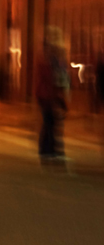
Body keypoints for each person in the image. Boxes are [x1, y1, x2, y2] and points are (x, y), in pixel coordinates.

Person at [36, 26, 70, 163]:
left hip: (48, 96)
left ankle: (49, 149)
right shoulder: (46, 62)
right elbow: (53, 79)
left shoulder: (51, 61)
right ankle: (49, 149)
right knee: (49, 122)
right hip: (46, 97)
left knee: (51, 122)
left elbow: (59, 79)